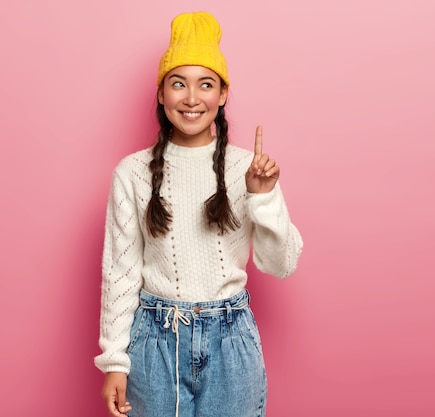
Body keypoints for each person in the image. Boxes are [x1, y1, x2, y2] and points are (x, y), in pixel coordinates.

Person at [94, 11, 303, 417]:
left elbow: (282, 265)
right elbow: (120, 272)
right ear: (161, 94)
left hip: (231, 344)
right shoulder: (132, 173)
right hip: (155, 342)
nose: (192, 98)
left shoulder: (250, 168)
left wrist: (264, 197)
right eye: (178, 84)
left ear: (223, 94)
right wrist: (115, 361)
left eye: (205, 84)